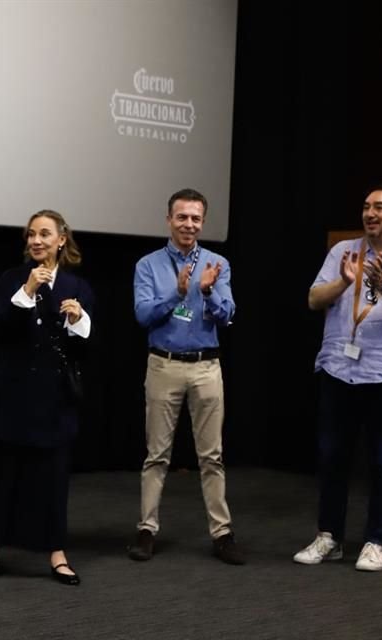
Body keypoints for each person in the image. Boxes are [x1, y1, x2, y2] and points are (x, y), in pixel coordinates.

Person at [293, 183, 382, 571]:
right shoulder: (343, 251)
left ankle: (377, 542)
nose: (369, 214)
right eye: (366, 207)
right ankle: (329, 537)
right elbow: (313, 299)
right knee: (332, 458)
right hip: (339, 370)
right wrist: (344, 281)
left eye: (379, 207)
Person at [0, 210, 94, 586]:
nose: (36, 241)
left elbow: (84, 343)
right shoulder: (11, 280)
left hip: (53, 399)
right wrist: (29, 289)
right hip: (10, 394)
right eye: (31, 234)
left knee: (51, 478)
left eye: (44, 234)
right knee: (1, 474)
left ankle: (56, 552)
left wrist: (78, 318)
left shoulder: (76, 285)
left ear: (61, 239)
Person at [127, 188, 243, 565]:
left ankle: (222, 534)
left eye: (195, 218)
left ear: (202, 222)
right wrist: (177, 294)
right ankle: (146, 529)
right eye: (182, 217)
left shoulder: (217, 262)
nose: (188, 224)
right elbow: (143, 316)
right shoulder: (148, 265)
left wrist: (207, 292)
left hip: (207, 366)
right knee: (156, 455)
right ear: (169, 220)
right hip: (163, 364)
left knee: (212, 456)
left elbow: (227, 316)